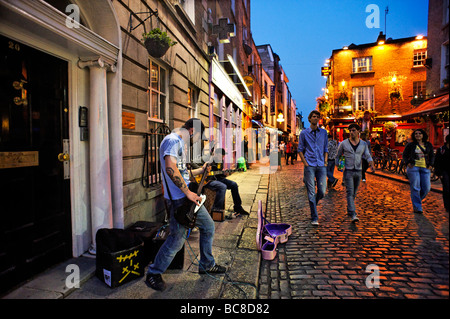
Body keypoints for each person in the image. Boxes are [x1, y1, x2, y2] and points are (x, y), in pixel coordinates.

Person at [145, 118, 226, 291]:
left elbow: (182, 172)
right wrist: (188, 193)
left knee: (208, 227)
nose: (195, 142)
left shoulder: (178, 142)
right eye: (196, 138)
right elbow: (170, 168)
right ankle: (153, 273)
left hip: (185, 197)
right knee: (176, 238)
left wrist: (201, 170)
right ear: (191, 131)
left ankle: (206, 264)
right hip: (179, 199)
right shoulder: (173, 140)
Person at [336, 123, 375, 222]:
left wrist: (371, 164)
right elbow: (338, 155)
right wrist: (340, 166)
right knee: (350, 192)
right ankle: (353, 213)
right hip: (348, 171)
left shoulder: (363, 144)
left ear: (358, 131)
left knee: (354, 192)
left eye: (353, 130)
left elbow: (367, 154)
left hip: (359, 170)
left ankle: (350, 209)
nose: (351, 132)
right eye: (350, 131)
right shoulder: (344, 143)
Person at [298, 110, 328, 226]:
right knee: (311, 192)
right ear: (309, 119)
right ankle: (314, 217)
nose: (316, 118)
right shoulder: (304, 133)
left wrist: (325, 162)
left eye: (317, 117)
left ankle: (313, 205)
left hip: (321, 165)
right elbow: (300, 149)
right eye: (314, 117)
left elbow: (325, 148)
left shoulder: (323, 133)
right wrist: (305, 163)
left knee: (322, 191)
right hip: (309, 165)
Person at [204, 148, 249, 219]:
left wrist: (224, 173)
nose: (222, 157)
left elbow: (219, 173)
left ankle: (238, 207)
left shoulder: (221, 161)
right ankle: (217, 209)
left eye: (223, 156)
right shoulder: (210, 160)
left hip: (217, 178)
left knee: (234, 184)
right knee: (223, 186)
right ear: (216, 154)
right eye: (221, 156)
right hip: (209, 180)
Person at [403, 129, 435, 214]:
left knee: (426, 188)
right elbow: (405, 155)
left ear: (423, 135)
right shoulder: (410, 145)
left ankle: (416, 202)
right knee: (415, 187)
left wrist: (431, 164)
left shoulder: (428, 145)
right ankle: (418, 207)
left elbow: (432, 155)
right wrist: (408, 163)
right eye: (416, 134)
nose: (418, 135)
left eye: (420, 133)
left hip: (425, 168)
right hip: (414, 168)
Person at [434, 134, 449, 212]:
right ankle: (447, 205)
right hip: (444, 171)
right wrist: (439, 173)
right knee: (447, 188)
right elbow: (437, 161)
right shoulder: (442, 150)